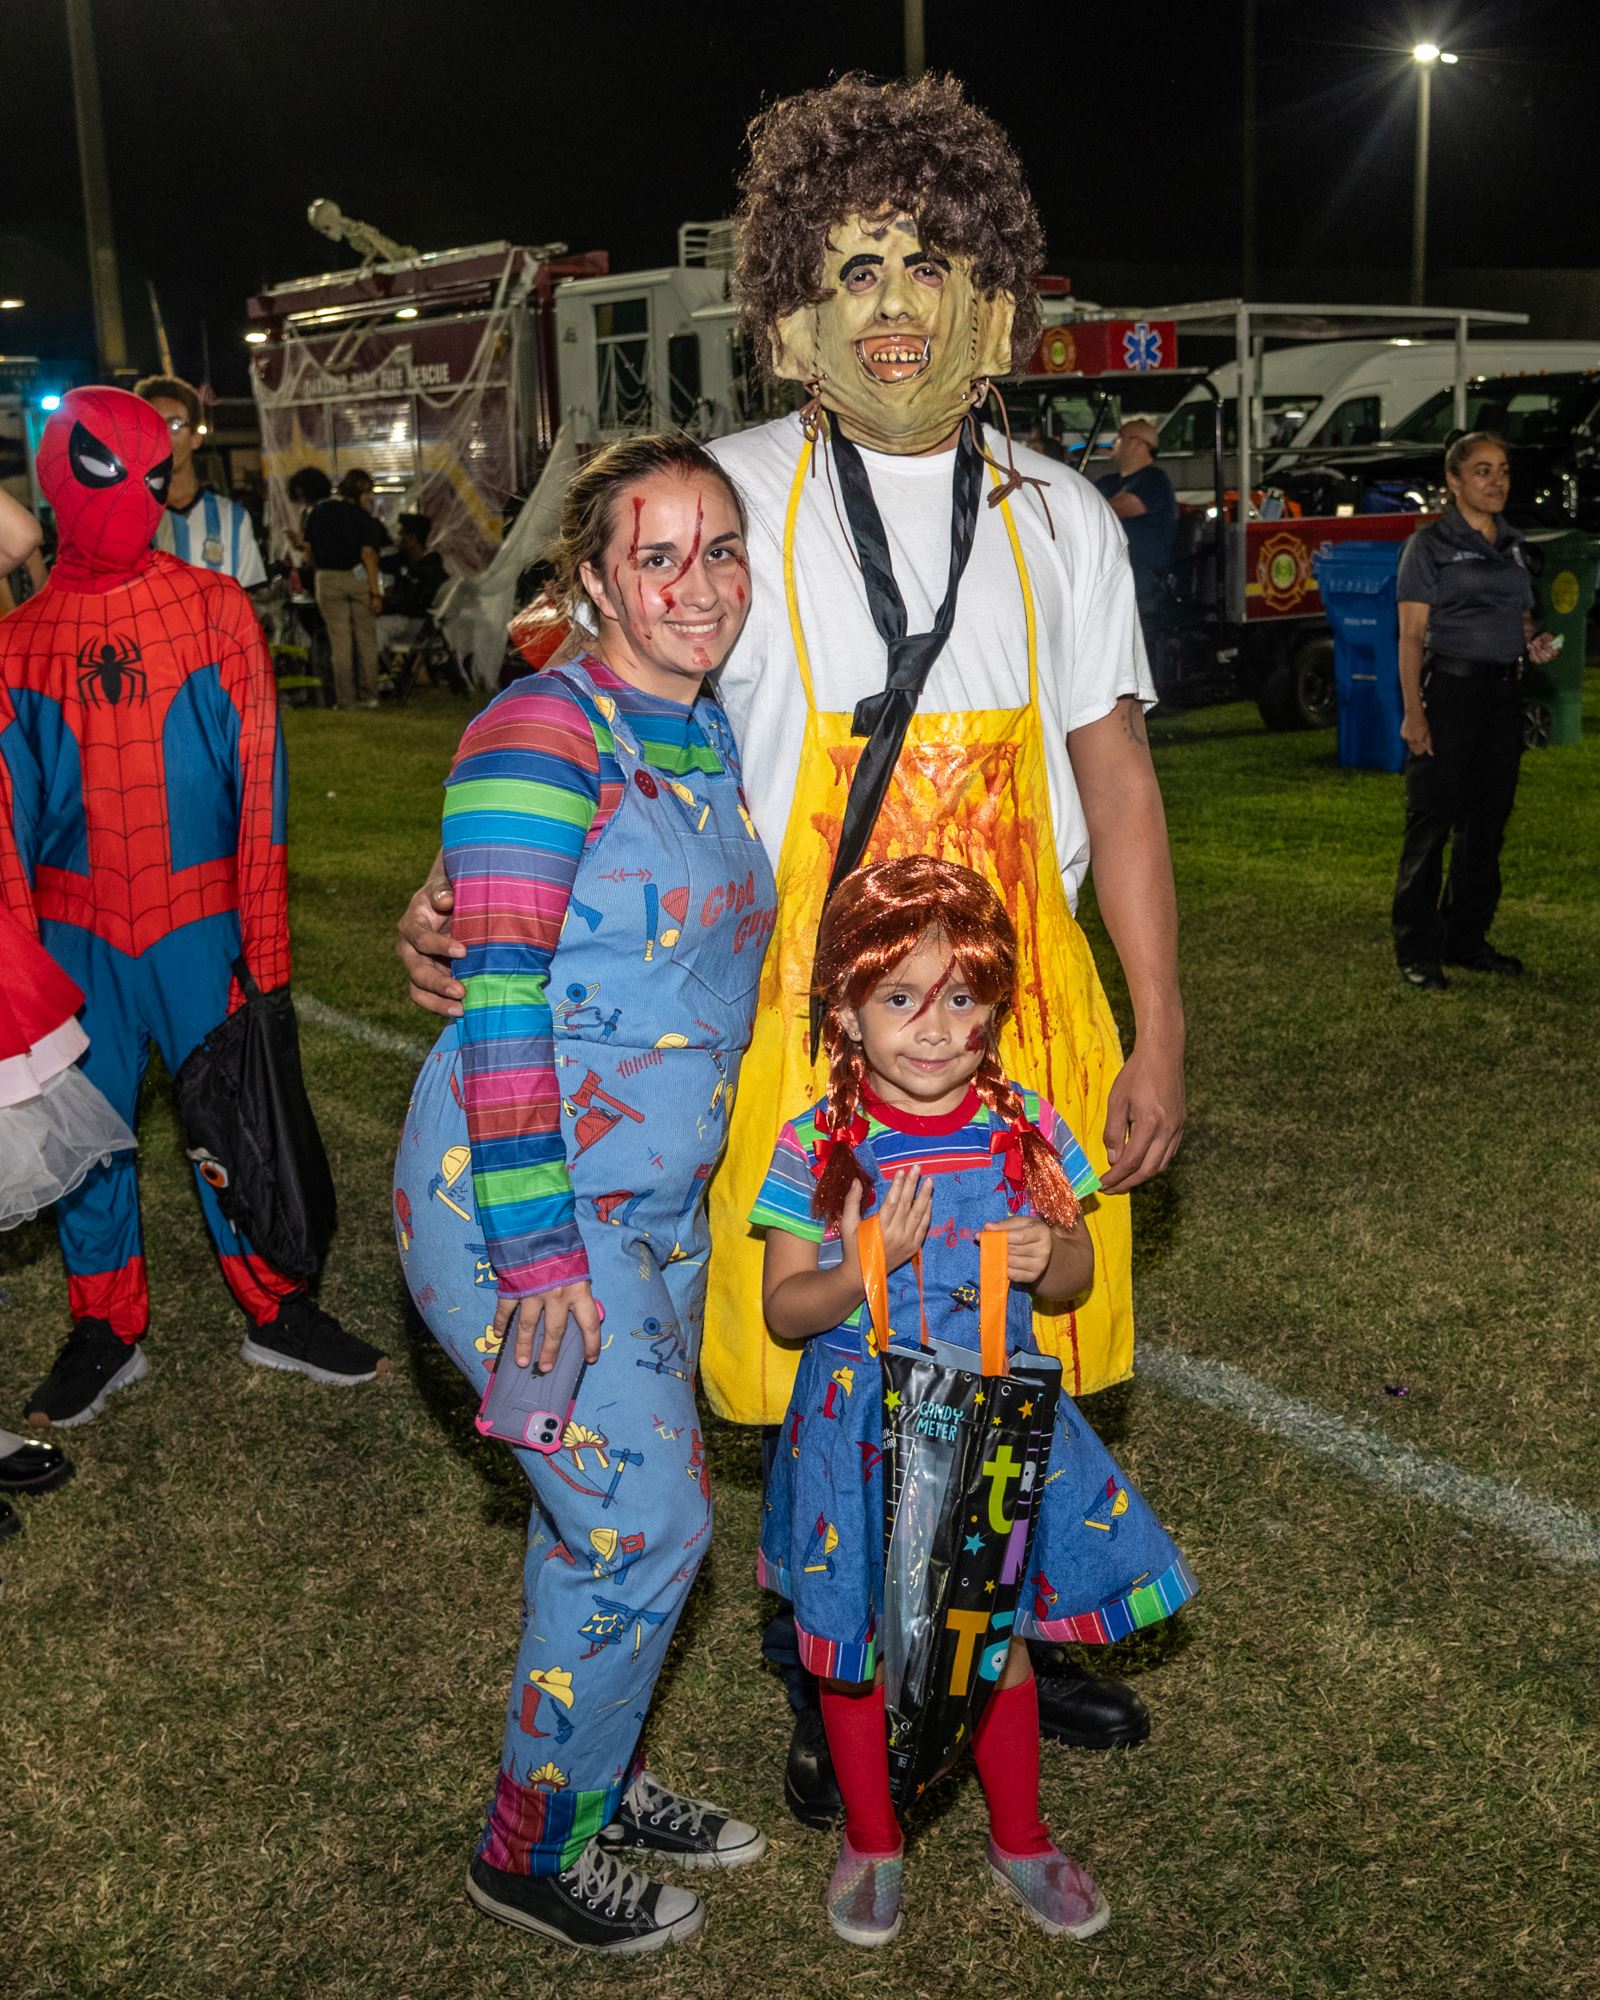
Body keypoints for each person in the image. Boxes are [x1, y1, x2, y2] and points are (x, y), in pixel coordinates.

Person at [398, 72, 1186, 1803]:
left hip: (1025, 1009)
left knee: (1013, 1327)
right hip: (801, 1011)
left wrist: (1160, 1025)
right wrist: (459, 885)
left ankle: (1002, 1636)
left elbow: (1117, 784)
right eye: (853, 268)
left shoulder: (1064, 514)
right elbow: (569, 676)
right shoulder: (730, 500)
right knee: (833, 1351)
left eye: (927, 266)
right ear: (788, 310)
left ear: (993, 295)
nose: (892, 306)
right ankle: (832, 1651)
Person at [394, 436, 777, 1955]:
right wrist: (540, 1253)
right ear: (595, 580)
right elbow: (497, 1007)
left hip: (653, 1214)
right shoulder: (540, 733)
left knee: (601, 1524)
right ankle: (531, 1848)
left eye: (721, 548)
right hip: (521, 1207)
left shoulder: (705, 732)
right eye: (661, 554)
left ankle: (592, 1776)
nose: (698, 583)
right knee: (643, 1523)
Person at [756, 857, 1194, 1946]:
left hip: (992, 1430)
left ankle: (1024, 1831)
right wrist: (862, 1264)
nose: (934, 1026)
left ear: (995, 1001)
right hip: (859, 1435)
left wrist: (1054, 1255)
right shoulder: (817, 1142)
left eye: (960, 995)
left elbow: (1075, 1277)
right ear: (848, 1012)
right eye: (899, 997)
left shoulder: (1024, 1122)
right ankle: (872, 1836)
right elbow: (783, 1309)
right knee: (856, 1645)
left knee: (988, 1639)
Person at [0, 389, 386, 1431]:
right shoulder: (20, 639)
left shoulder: (215, 610)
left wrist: (262, 942)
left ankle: (276, 1302)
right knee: (88, 1135)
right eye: (105, 471)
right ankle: (104, 1323)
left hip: (200, 920)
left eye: (143, 470)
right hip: (76, 933)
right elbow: (7, 816)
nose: (129, 494)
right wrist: (23, 976)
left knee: (239, 1115)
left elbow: (260, 788)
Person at [1392, 430, 1559, 990]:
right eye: (1483, 471)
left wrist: (1530, 642)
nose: (1497, 481)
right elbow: (1411, 636)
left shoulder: (1513, 543)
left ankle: (1467, 938)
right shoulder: (1430, 546)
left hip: (1501, 696)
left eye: (1504, 470)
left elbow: (1520, 617)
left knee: (1487, 825)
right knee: (1432, 821)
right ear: (1454, 481)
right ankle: (1419, 949)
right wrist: (1415, 713)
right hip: (1450, 694)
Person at [134, 375, 267, 589]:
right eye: (153, 424)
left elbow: (250, 600)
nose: (164, 435)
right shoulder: (129, 519)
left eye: (175, 424)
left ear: (196, 436)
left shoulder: (233, 518)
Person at [304, 469, 385, 709]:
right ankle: (370, 695)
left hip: (327, 579)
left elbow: (308, 548)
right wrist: (375, 592)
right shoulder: (364, 519)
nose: (370, 498)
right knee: (366, 639)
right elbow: (368, 555)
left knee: (340, 642)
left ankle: (345, 699)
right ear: (360, 492)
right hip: (356, 578)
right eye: (368, 492)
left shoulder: (320, 512)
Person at [1093, 420, 1178, 608]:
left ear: (1139, 444)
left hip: (1141, 572)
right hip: (1108, 564)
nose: (1114, 441)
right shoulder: (1108, 482)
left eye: (1120, 437)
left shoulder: (1154, 480)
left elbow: (1118, 508)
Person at [377, 511, 447, 658]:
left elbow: (419, 602)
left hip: (418, 622)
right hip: (402, 617)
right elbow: (375, 563)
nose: (398, 538)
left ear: (411, 538)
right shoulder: (402, 559)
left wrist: (392, 602)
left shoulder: (432, 567)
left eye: (401, 534)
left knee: (378, 628)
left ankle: (378, 672)